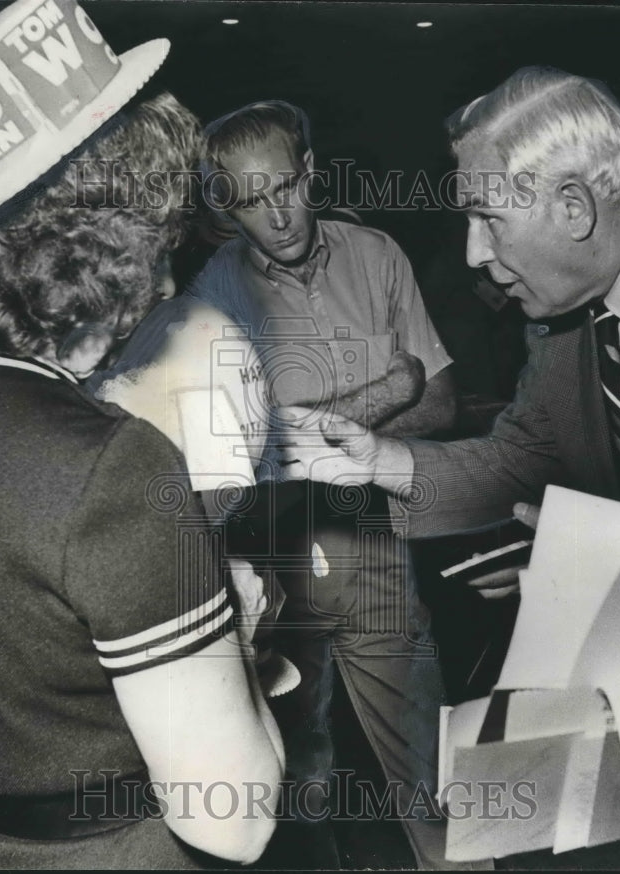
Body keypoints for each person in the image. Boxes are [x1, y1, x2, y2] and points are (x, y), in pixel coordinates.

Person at [0, 1, 282, 867]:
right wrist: (239, 633)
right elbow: (235, 815)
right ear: (117, 247)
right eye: (164, 232)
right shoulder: (108, 467)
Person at [281, 66, 620, 542]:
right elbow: (525, 460)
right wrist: (380, 461)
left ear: (573, 209)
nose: (474, 254)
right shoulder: (562, 310)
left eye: (489, 219)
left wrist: (599, 558)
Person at [190, 100, 463, 869]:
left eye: (284, 187)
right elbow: (246, 454)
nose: (275, 215)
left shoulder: (377, 255)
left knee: (433, 779)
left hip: (376, 550)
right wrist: (384, 392)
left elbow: (439, 400)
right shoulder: (211, 298)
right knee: (293, 789)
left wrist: (312, 426)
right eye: (248, 201)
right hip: (274, 565)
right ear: (226, 207)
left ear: (310, 172)